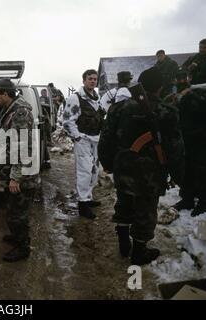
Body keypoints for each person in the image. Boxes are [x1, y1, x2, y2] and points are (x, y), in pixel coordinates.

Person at [98, 67, 185, 265]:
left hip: (123, 167)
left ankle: (123, 241)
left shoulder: (118, 108)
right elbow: (175, 148)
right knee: (145, 211)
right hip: (151, 172)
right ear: (161, 86)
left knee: (124, 202)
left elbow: (106, 139)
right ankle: (138, 252)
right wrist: (178, 175)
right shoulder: (166, 110)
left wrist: (108, 164)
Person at [0, 79, 39, 262]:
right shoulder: (11, 109)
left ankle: (23, 247)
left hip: (22, 175)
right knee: (13, 209)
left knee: (18, 213)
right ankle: (17, 236)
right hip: (14, 171)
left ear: (5, 94)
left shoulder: (19, 112)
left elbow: (23, 146)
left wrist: (15, 177)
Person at [62, 69, 105, 219]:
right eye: (90, 79)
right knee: (85, 171)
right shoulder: (75, 98)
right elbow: (67, 121)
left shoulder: (96, 98)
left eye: (95, 79)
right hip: (84, 140)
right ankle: (82, 204)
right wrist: (77, 137)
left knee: (94, 170)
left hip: (95, 139)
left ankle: (88, 197)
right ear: (83, 80)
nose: (93, 81)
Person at [173, 81, 206, 216]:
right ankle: (187, 199)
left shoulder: (203, 98)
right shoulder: (185, 100)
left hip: (203, 139)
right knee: (187, 169)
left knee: (203, 171)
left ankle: (204, 202)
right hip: (188, 138)